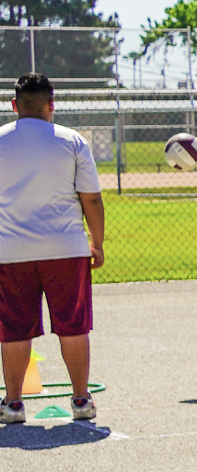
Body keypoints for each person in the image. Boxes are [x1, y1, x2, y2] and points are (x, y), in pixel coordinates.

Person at [0, 74, 103, 424]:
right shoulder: (72, 140)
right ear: (51, 103)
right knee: (73, 326)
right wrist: (97, 242)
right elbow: (91, 197)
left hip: (11, 251)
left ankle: (13, 404)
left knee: (13, 328)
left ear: (14, 105)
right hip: (66, 247)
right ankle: (81, 401)